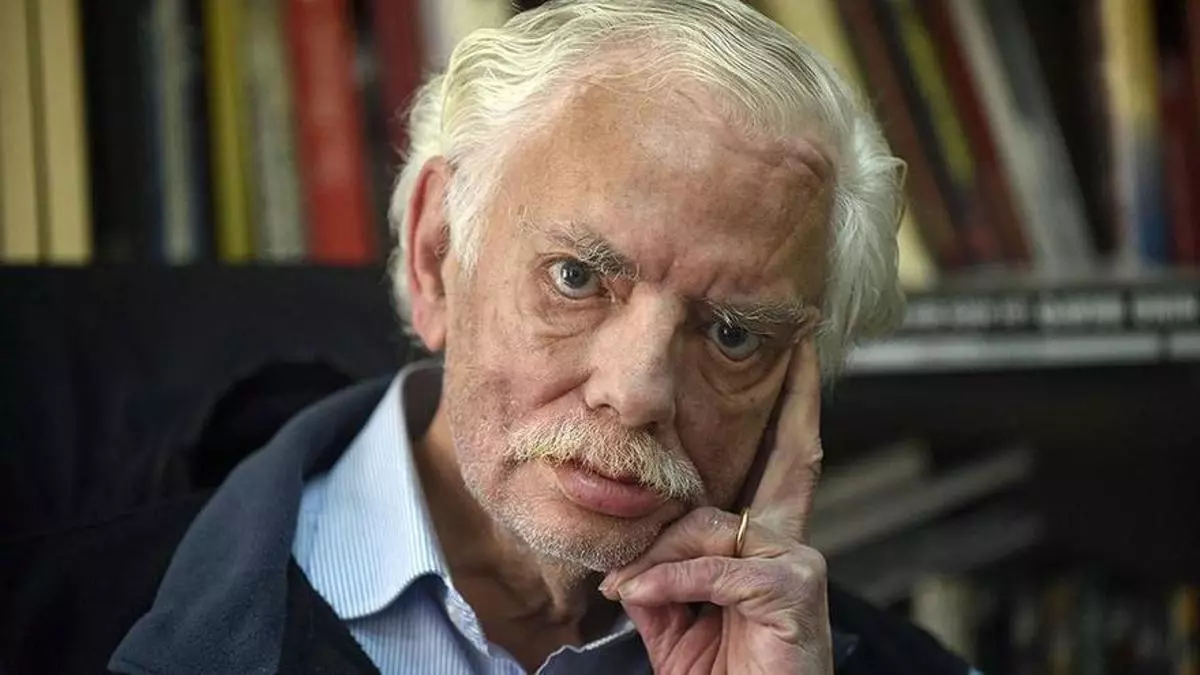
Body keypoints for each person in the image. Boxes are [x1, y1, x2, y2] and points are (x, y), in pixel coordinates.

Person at [2, 1, 981, 673]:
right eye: (576, 277)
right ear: (436, 252)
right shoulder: (50, 624)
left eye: (731, 333)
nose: (637, 390)